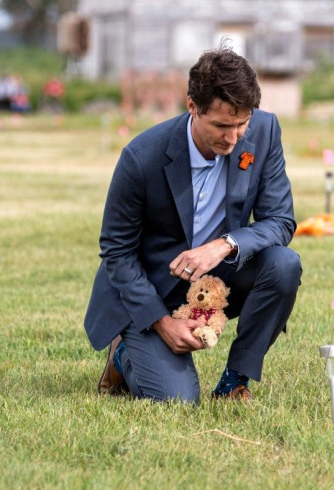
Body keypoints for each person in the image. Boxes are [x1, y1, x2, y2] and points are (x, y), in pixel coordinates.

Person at [84, 46, 302, 403]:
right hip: (153, 292)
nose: (233, 138)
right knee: (177, 400)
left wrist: (225, 244)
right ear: (192, 107)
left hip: (220, 278)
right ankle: (123, 354)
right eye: (220, 125)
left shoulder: (264, 133)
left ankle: (235, 382)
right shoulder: (141, 157)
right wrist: (162, 322)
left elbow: (280, 220)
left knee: (284, 265)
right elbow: (117, 251)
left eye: (241, 124)